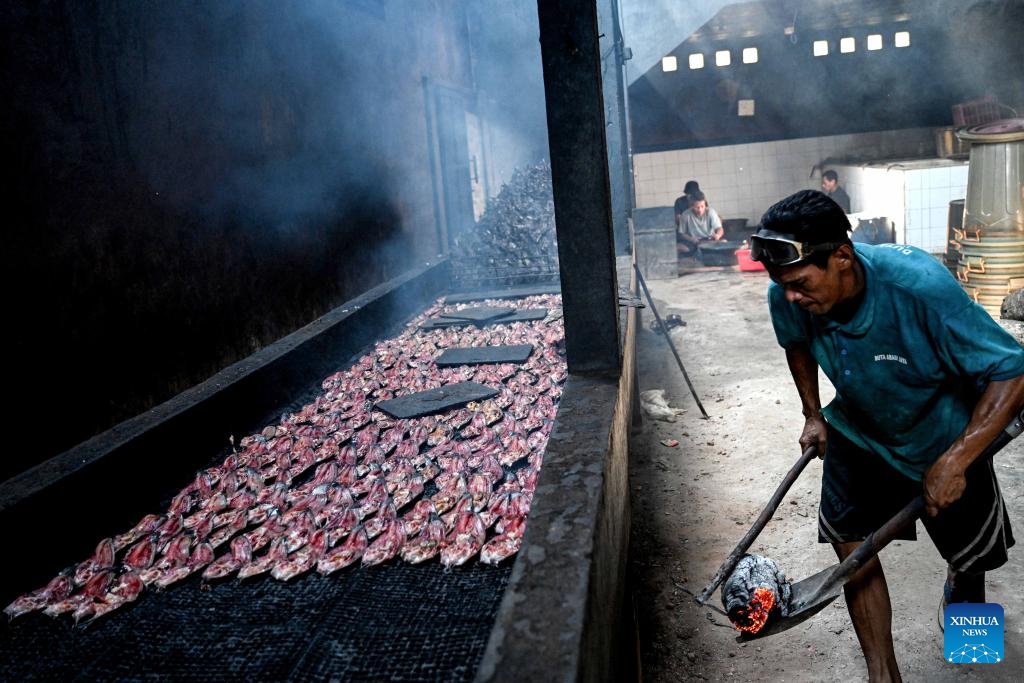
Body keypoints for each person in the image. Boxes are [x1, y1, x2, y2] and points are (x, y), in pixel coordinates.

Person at [750, 189, 1024, 682]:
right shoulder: (788, 292)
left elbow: (1013, 369)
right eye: (782, 284)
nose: (790, 296)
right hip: (859, 430)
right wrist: (813, 414)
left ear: (842, 257)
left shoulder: (920, 288)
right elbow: (796, 343)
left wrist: (959, 459)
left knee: (971, 559)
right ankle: (883, 672)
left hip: (941, 436)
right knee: (854, 555)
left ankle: (971, 646)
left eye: (798, 283)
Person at [676, 190, 724, 257]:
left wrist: (718, 235)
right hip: (694, 242)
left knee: (724, 242)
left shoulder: (711, 212)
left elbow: (719, 228)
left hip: (709, 240)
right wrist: (691, 239)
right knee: (678, 247)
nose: (700, 210)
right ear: (691, 206)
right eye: (697, 207)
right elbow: (682, 234)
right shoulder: (685, 215)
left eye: (702, 206)